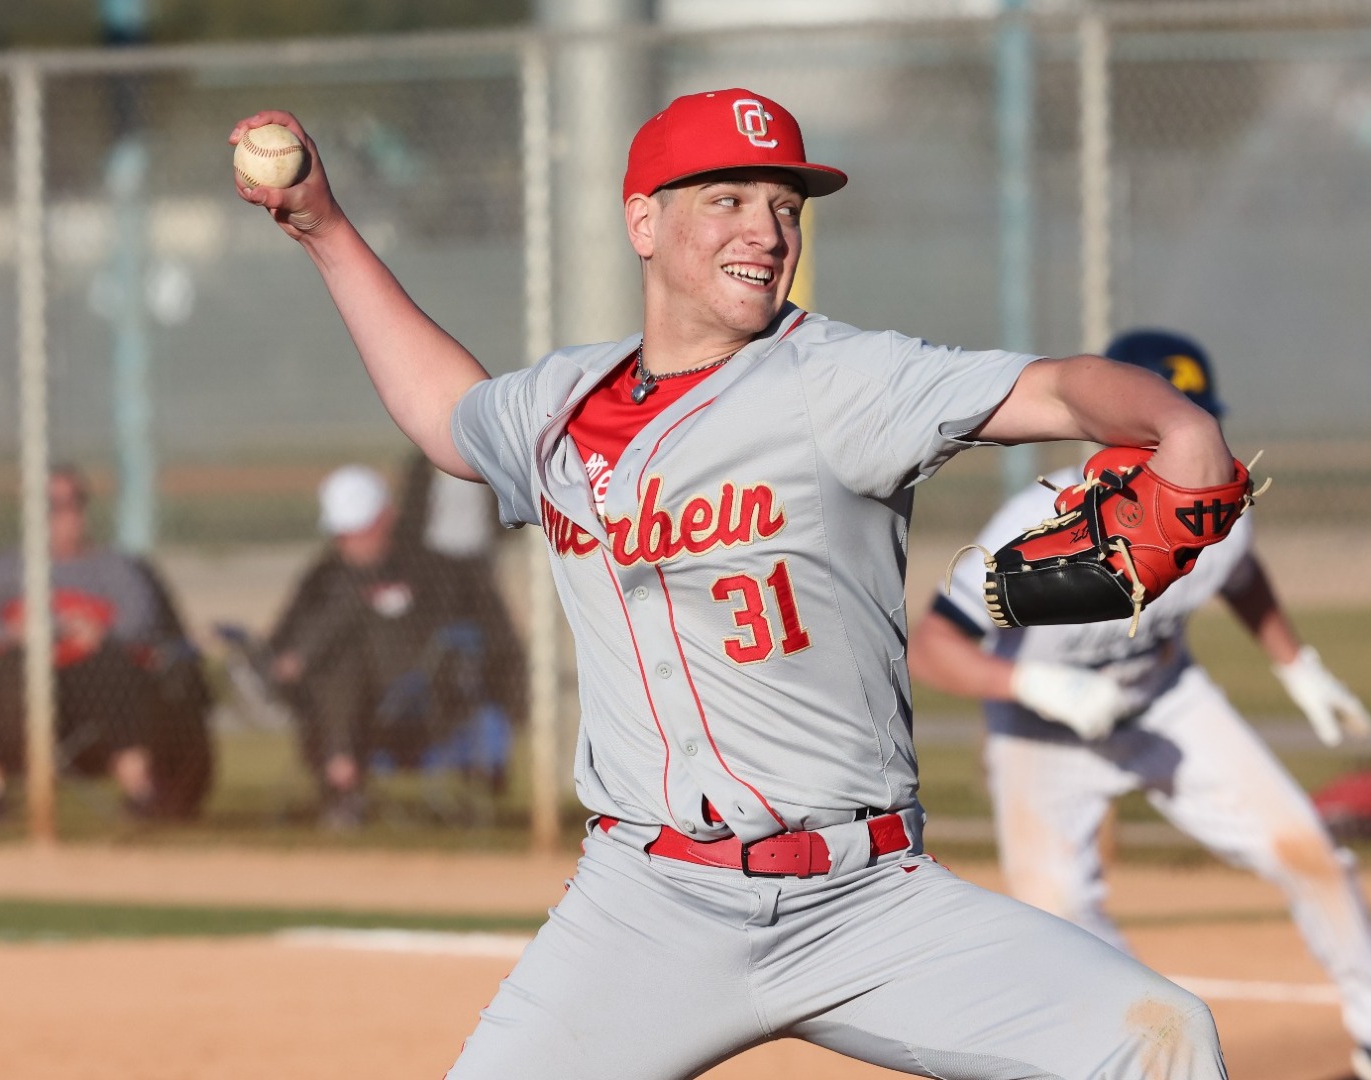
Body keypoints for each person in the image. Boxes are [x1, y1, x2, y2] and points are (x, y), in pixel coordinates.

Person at [233, 90, 1241, 1077]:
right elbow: (444, 409)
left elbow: (1058, 386)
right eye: (727, 198)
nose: (765, 230)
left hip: (866, 897)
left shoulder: (844, 381)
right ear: (644, 219)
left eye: (785, 207)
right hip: (646, 904)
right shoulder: (560, 408)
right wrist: (322, 228)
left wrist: (1177, 425)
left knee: (1158, 1035)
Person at [906, 329, 1371, 1080]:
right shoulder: (1032, 517)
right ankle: (1151, 1055)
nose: (1192, 447)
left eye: (1197, 418)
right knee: (1064, 923)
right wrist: (1032, 685)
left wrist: (1295, 663)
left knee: (1310, 853)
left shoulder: (1214, 505)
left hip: (1167, 699)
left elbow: (1242, 577)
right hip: (1042, 733)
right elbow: (931, 646)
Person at [268, 462, 524, 828]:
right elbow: (282, 635)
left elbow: (464, 638)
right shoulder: (324, 574)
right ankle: (344, 769)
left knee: (340, 651)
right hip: (340, 697)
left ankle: (342, 778)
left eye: (359, 530)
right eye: (343, 534)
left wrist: (302, 656)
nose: (350, 543)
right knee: (340, 663)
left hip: (418, 693)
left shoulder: (428, 568)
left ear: (387, 518)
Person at [0, 465, 188, 825]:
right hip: (21, 682)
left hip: (91, 683)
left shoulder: (113, 566)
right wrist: (17, 633)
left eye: (74, 503)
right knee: (11, 663)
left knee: (112, 661)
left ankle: (138, 785)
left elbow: (141, 621)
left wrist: (97, 631)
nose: (65, 515)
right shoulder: (4, 568)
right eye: (51, 506)